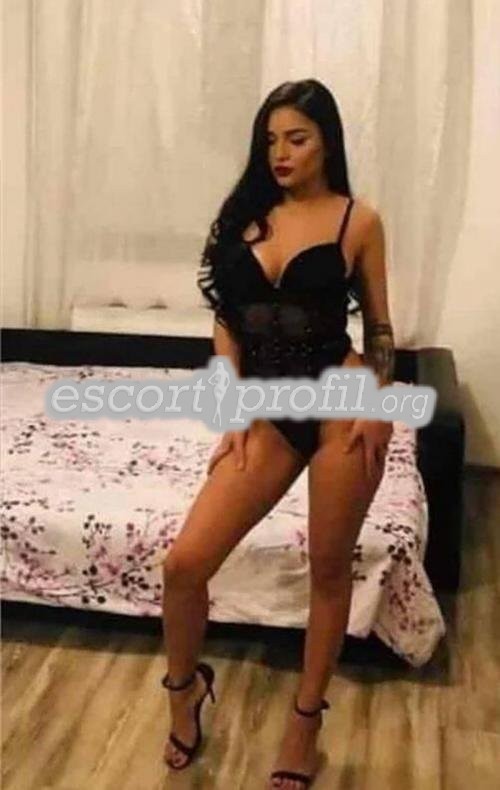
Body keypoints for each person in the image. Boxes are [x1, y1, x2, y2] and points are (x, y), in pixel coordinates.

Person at [161, 78, 395, 788]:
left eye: (297, 138)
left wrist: (376, 399)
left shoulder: (358, 220)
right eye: (270, 140)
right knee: (184, 564)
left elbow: (380, 331)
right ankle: (183, 691)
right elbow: (227, 320)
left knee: (328, 569)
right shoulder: (245, 217)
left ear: (327, 143)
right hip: (268, 405)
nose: (280, 153)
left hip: (341, 401)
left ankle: (304, 722)